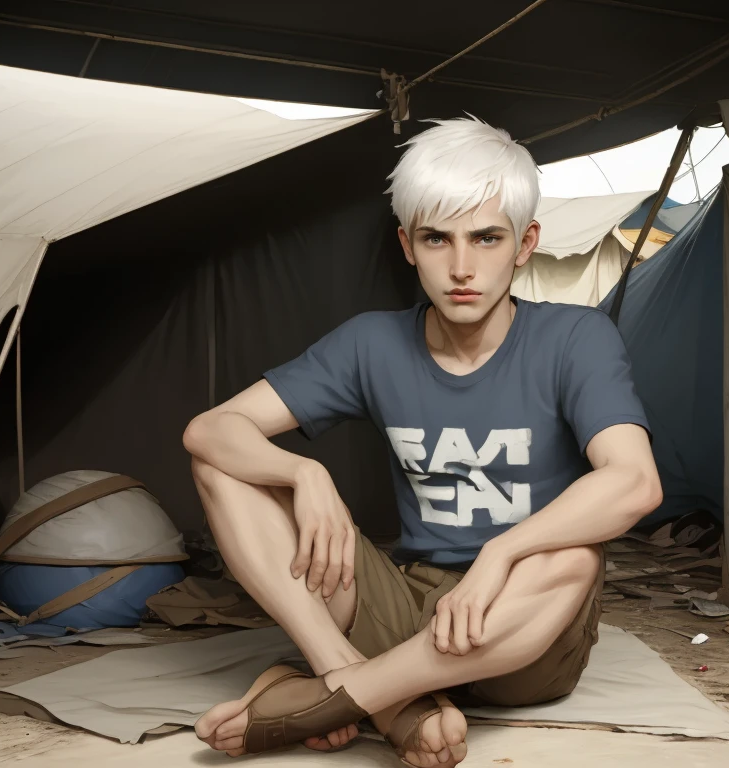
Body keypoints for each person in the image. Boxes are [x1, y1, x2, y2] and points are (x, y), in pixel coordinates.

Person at [183, 116, 662, 767]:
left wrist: (500, 554)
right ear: (408, 245)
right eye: (437, 239)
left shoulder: (575, 338)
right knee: (223, 469)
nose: (461, 267)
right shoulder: (371, 343)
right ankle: (369, 688)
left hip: (525, 631)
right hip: (409, 605)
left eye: (486, 238)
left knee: (572, 558)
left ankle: (330, 700)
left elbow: (634, 480)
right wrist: (305, 475)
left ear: (525, 244)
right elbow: (210, 431)